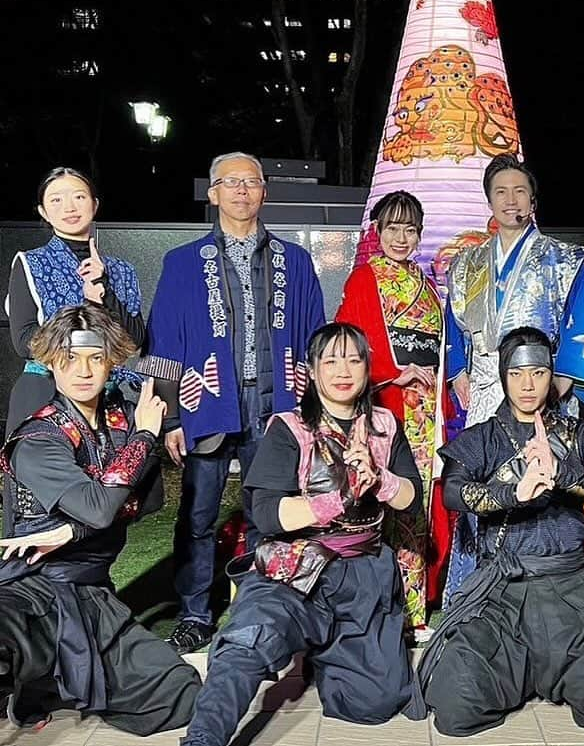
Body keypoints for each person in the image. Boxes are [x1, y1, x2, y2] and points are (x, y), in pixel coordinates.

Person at [179, 323, 424, 746]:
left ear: (367, 368)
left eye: (353, 359)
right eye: (330, 360)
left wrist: (379, 479)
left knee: (375, 702)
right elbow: (268, 514)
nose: (342, 370)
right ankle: (204, 738)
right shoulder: (290, 428)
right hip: (294, 570)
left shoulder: (384, 425)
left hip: (363, 575)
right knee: (246, 643)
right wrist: (338, 496)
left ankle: (324, 649)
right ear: (311, 370)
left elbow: (411, 499)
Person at [419, 327, 584, 738]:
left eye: (538, 372)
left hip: (571, 593)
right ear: (502, 375)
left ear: (552, 375)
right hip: (502, 594)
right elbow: (455, 495)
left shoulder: (579, 434)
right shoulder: (483, 437)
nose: (528, 384)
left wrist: (564, 474)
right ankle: (517, 674)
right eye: (517, 374)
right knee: (456, 704)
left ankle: (561, 674)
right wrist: (512, 492)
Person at [140, 152, 326, 654]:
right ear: (213, 192)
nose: (242, 191)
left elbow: (313, 339)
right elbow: (164, 343)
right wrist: (173, 416)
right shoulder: (182, 263)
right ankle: (196, 613)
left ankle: (263, 605)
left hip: (276, 405)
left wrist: (312, 409)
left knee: (269, 510)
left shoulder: (296, 261)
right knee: (199, 514)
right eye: (231, 183)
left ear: (264, 192)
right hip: (208, 403)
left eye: (252, 183)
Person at [0, 304, 200, 733]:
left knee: (182, 691)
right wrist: (146, 436)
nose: (83, 370)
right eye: (69, 358)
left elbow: (147, 501)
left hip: (93, 595)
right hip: (33, 586)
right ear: (50, 362)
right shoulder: (38, 438)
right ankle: (27, 675)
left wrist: (73, 530)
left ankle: (45, 683)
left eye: (95, 357)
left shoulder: (118, 420)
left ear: (111, 360)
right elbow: (100, 506)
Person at [443, 154, 584, 602]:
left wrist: (563, 376)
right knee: (477, 488)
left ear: (533, 200)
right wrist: (459, 372)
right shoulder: (466, 263)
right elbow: (453, 326)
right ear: (488, 199)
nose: (510, 199)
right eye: (500, 191)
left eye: (519, 190)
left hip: (540, 389)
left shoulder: (563, 259)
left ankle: (552, 587)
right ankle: (474, 594)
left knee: (552, 486)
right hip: (487, 391)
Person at [335, 190, 445, 635]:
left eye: (410, 228)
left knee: (419, 499)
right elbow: (350, 346)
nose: (402, 237)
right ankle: (384, 605)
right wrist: (393, 371)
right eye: (393, 227)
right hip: (388, 404)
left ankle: (417, 607)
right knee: (383, 496)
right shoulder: (365, 278)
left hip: (429, 409)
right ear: (376, 231)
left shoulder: (426, 281)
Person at [5, 167, 144, 436]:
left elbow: (135, 340)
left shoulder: (120, 269)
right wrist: (84, 328)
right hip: (44, 391)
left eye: (79, 197)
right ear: (44, 211)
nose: (69, 207)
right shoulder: (30, 263)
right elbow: (24, 341)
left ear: (95, 204)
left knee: (112, 476)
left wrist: (103, 293)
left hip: (105, 396)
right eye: (56, 199)